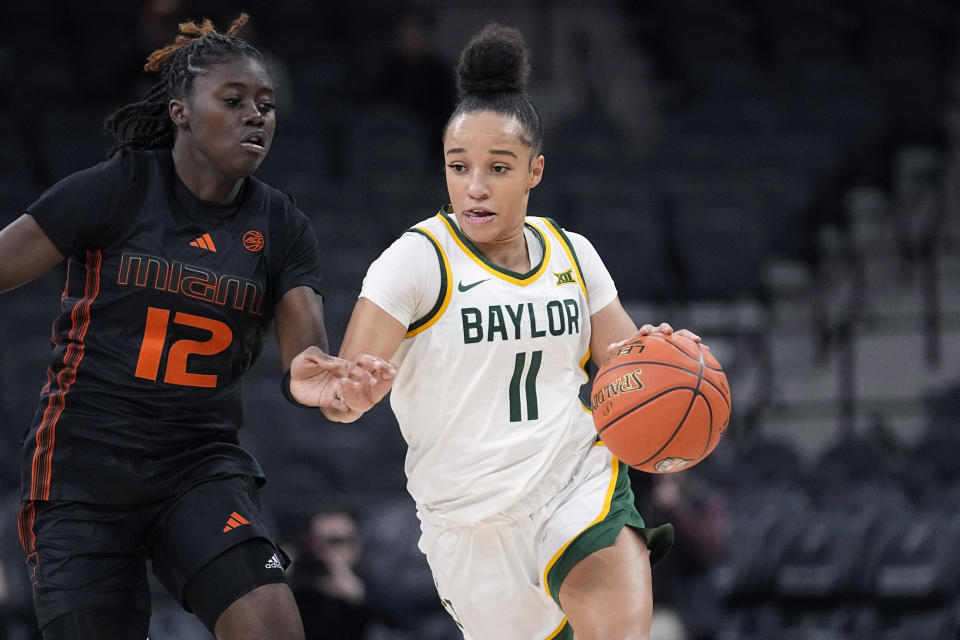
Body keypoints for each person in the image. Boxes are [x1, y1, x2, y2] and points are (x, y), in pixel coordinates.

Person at [290, 24, 703, 639]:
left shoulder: (574, 255)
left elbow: (626, 370)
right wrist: (329, 392)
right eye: (459, 167)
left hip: (575, 485)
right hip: (469, 526)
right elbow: (345, 394)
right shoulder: (414, 261)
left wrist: (669, 361)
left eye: (498, 167)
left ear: (535, 170)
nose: (475, 186)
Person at [0, 14, 392, 640]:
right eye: (233, 101)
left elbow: (305, 351)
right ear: (181, 110)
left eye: (266, 105)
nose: (256, 116)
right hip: (84, 469)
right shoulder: (119, 188)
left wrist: (318, 380)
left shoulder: (281, 225)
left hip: (196, 465)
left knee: (274, 625)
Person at [290, 510, 372, 639]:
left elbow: (397, 622)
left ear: (355, 545)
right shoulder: (297, 582)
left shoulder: (372, 582)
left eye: (336, 541)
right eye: (317, 540)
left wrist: (357, 597)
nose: (325, 548)